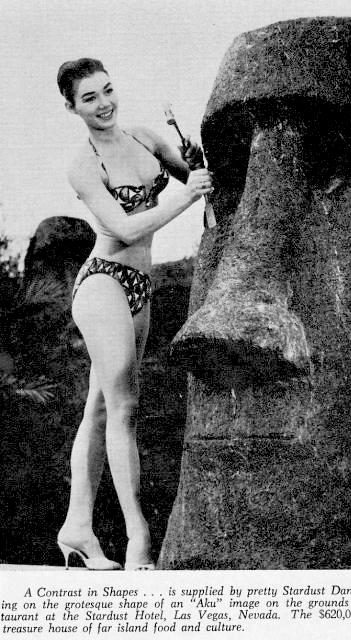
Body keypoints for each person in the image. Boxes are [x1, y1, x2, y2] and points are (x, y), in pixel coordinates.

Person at [56, 58, 213, 570]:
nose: (104, 104)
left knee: (99, 409)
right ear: (72, 108)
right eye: (89, 98)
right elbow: (124, 229)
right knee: (124, 407)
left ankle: (77, 526)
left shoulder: (146, 138)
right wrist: (188, 196)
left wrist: (196, 164)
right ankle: (137, 539)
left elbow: (197, 177)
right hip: (102, 281)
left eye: (107, 90)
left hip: (139, 287)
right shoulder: (83, 165)